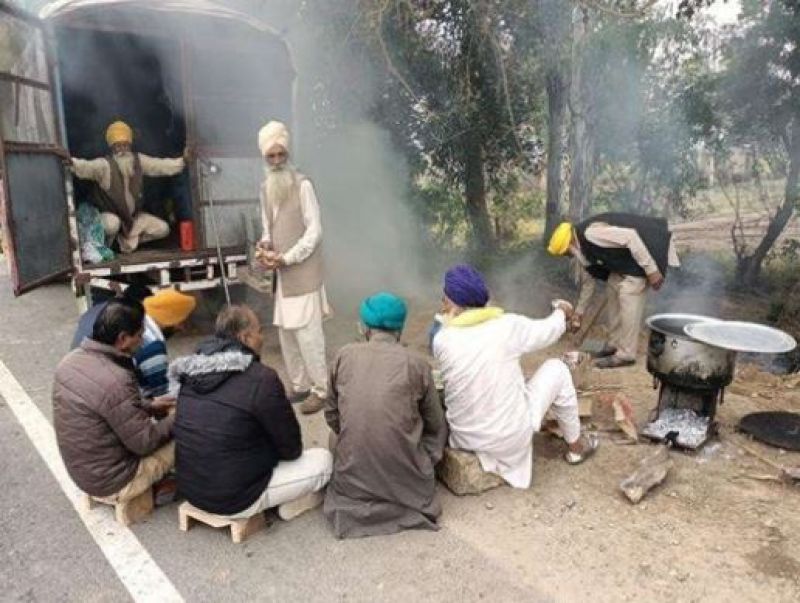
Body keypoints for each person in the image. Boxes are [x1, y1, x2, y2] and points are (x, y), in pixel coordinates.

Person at [431, 264, 598, 490]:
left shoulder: (442, 340)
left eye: (445, 298)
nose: (443, 303)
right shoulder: (508, 326)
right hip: (509, 439)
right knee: (557, 369)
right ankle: (577, 448)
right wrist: (562, 310)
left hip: (465, 439)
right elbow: (551, 330)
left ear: (453, 303)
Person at [172, 305, 332, 520]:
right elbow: (292, 449)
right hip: (235, 499)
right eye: (259, 331)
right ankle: (289, 503)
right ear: (245, 337)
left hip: (190, 489)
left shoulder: (192, 369)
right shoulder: (261, 378)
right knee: (324, 460)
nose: (262, 337)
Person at [324, 292, 448, 539]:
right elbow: (436, 425)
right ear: (400, 329)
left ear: (363, 327)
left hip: (353, 478)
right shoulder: (417, 364)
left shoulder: (343, 356)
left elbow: (331, 414)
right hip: (410, 479)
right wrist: (426, 460)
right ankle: (403, 493)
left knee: (334, 436)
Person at [53, 298, 175, 503]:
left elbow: (106, 403)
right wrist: (178, 418)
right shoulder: (117, 379)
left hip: (83, 474)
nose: (142, 340)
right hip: (114, 481)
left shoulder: (70, 361)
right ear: (123, 338)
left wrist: (149, 405)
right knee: (189, 431)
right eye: (139, 335)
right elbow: (144, 443)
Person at [255, 120, 329, 415]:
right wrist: (265, 246)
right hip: (281, 276)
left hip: (302, 272)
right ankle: (300, 386)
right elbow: (267, 227)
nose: (275, 162)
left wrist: (288, 257)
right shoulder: (265, 188)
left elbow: (315, 231)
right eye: (270, 157)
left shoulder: (304, 185)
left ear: (287, 154)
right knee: (286, 333)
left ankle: (321, 390)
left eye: (280, 155)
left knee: (308, 335)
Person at [547, 212, 680, 369]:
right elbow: (589, 281)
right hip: (624, 265)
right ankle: (614, 344)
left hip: (645, 256)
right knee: (612, 285)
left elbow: (631, 237)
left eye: (566, 253)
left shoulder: (591, 234)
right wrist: (579, 313)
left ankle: (626, 354)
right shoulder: (582, 247)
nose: (568, 257)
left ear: (570, 244)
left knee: (628, 292)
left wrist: (651, 270)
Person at [69, 120, 191, 253]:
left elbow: (160, 166)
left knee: (163, 229)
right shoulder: (104, 165)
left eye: (125, 145)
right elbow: (85, 167)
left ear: (130, 145)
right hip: (109, 217)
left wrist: (183, 161)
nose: (122, 150)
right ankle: (108, 246)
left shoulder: (138, 161)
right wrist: (70, 162)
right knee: (112, 224)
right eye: (118, 146)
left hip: (131, 219)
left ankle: (122, 245)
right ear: (112, 147)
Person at [71, 286, 196, 399]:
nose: (182, 328)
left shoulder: (125, 317)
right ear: (170, 320)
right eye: (181, 322)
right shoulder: (152, 345)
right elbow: (164, 396)